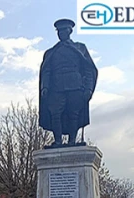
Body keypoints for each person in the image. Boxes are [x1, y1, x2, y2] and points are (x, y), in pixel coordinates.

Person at [39, 18, 98, 147]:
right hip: (56, 87)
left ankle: (72, 141)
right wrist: (45, 87)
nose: (61, 33)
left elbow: (88, 69)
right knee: (55, 113)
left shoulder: (80, 48)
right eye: (58, 31)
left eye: (63, 30)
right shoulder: (51, 52)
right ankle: (58, 141)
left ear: (69, 31)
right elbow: (47, 71)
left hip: (75, 85)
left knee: (74, 113)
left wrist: (88, 88)